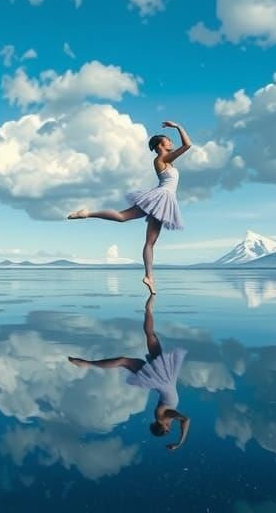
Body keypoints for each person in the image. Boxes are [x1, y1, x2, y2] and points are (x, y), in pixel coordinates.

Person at [67, 121, 191, 295]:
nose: (171, 143)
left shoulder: (168, 162)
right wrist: (178, 126)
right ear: (160, 145)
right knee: (122, 217)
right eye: (168, 140)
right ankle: (87, 213)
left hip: (165, 199)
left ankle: (149, 277)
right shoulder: (161, 159)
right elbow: (188, 145)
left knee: (149, 241)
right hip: (160, 197)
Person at [68, 295, 190, 450]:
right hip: (162, 377)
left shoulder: (163, 416)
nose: (170, 427)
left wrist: (180, 442)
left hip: (161, 377)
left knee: (126, 358)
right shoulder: (162, 417)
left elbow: (186, 420)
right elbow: (179, 418)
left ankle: (88, 364)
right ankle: (149, 309)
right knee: (144, 341)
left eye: (168, 429)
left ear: (163, 427)